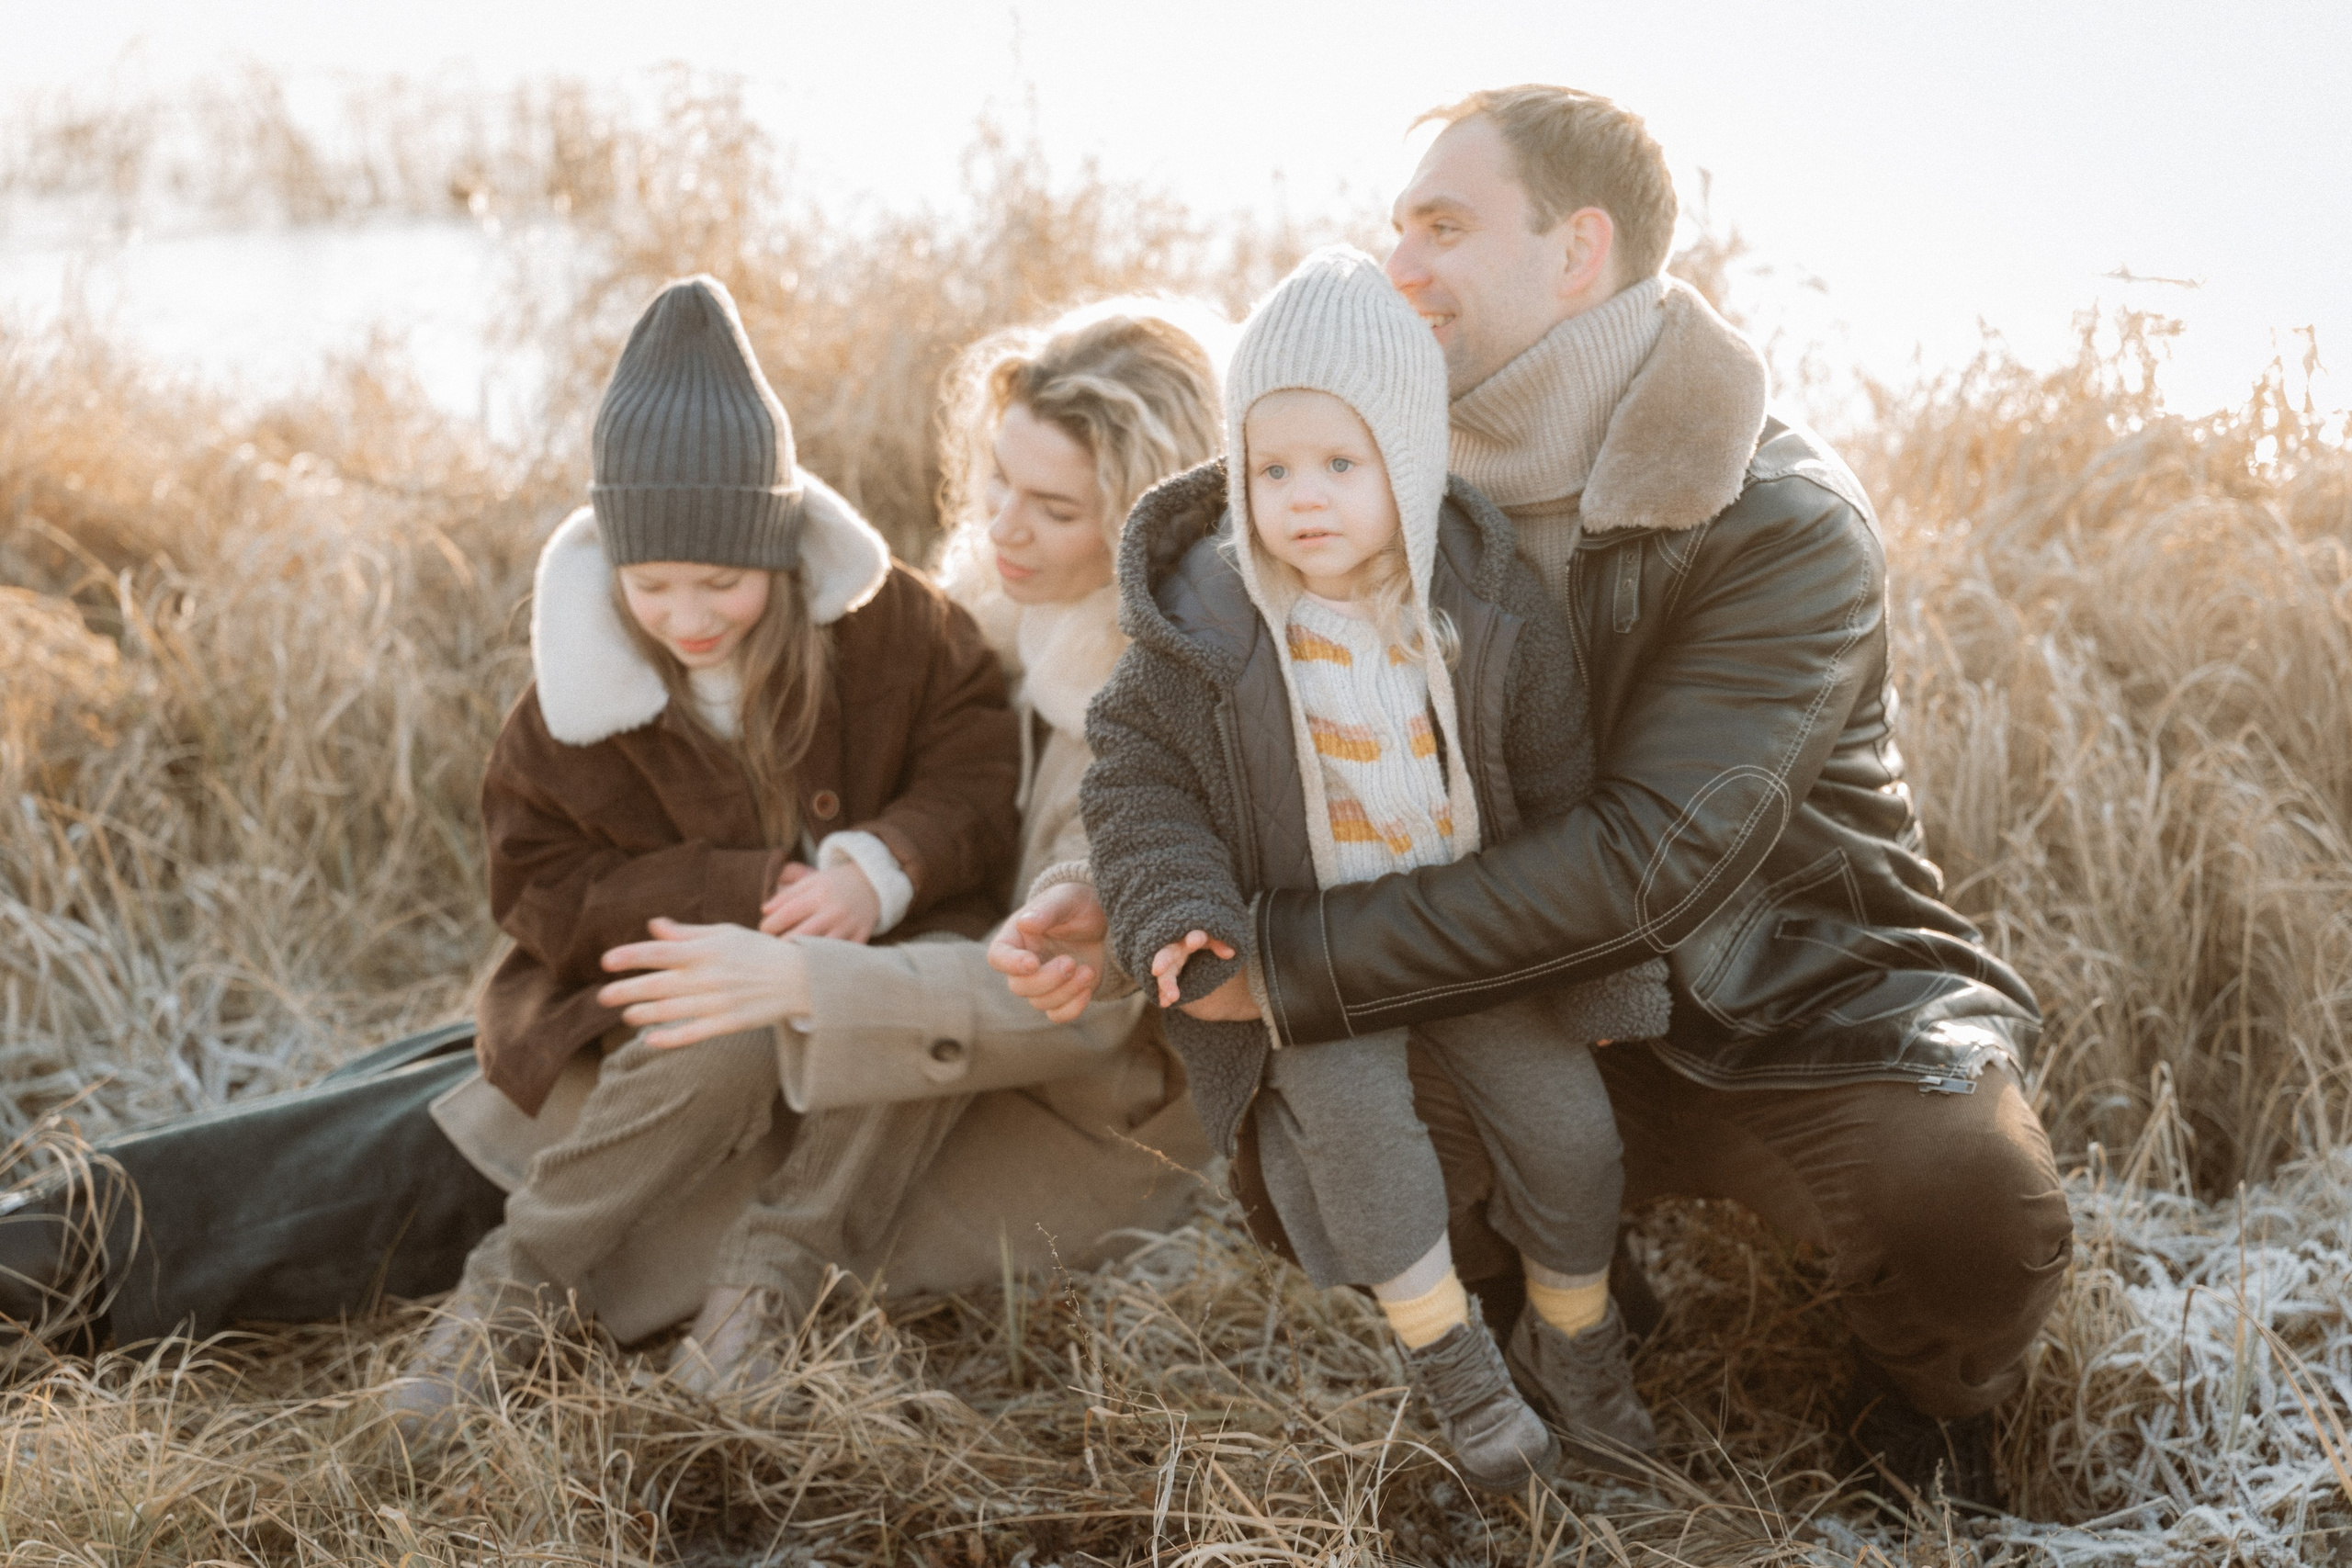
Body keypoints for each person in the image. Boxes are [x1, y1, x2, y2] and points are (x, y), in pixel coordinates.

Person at [998, 87, 2073, 1511]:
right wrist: (1139, 898)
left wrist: (1298, 961)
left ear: (1579, 250)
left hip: (1784, 991)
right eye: (1397, 230)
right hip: (1492, 995)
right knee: (1331, 1133)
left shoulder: (1775, 517)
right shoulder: (1362, 478)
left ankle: (1927, 1405)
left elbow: (1648, 865)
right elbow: (1213, 727)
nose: (1402, 266)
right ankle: (1557, 1320)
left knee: (1968, 1203)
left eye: (1444, 226)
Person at [386, 271, 1025, 1430]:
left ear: (779, 556)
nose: (686, 616)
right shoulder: (575, 693)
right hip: (673, 968)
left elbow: (977, 767)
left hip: (872, 940)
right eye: (652, 585)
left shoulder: (894, 628)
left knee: (908, 1006)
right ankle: (505, 1304)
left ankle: (760, 1298)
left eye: (722, 583)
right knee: (713, 1035)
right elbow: (535, 879)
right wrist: (733, 893)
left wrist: (874, 869)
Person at [1080, 247, 1670, 1489]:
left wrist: (1611, 980)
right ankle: (1457, 1364)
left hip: (1480, 941)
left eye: (1340, 465)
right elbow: (1136, 788)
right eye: (1273, 466)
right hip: (1305, 960)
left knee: (1572, 1140)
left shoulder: (1488, 603)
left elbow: (1564, 796)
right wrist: (1182, 914)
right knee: (1362, 1150)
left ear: (1405, 460)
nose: (1303, 498)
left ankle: (1576, 1341)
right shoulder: (1207, 624)